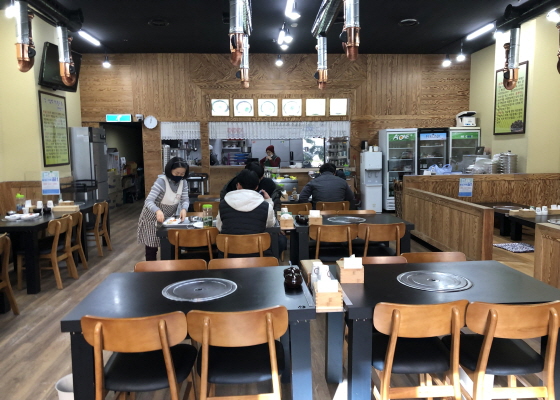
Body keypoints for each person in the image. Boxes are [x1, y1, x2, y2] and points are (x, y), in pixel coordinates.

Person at [137, 157, 189, 261]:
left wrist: (184, 209)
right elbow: (148, 201)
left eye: (182, 174)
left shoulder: (183, 182)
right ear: (170, 170)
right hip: (152, 218)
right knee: (152, 248)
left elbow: (185, 199)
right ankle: (151, 269)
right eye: (177, 173)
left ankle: (167, 267)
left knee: (169, 244)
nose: (179, 176)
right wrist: (157, 210)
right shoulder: (161, 181)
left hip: (168, 219)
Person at [216, 169, 276, 234]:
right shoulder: (266, 206)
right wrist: (269, 201)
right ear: (257, 187)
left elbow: (219, 226)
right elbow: (271, 224)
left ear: (238, 185)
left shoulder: (223, 204)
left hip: (228, 240)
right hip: (255, 240)